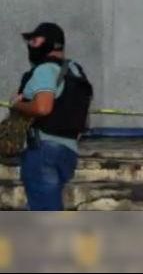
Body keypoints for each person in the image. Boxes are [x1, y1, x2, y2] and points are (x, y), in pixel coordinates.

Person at [10, 23, 92, 210]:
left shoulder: (45, 70)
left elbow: (43, 107)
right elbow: (84, 118)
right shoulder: (75, 70)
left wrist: (17, 104)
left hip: (43, 151)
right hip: (68, 151)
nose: (30, 45)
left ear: (52, 43)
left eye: (35, 40)